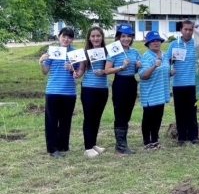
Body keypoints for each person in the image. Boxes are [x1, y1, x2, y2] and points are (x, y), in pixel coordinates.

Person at [38, 27, 79, 159]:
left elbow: (78, 74)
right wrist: (41, 61)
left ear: (72, 39)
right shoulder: (52, 52)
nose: (66, 39)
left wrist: (72, 69)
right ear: (59, 37)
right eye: (64, 36)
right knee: (51, 121)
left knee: (66, 120)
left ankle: (63, 146)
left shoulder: (76, 53)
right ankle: (52, 149)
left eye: (69, 37)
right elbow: (45, 72)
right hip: (53, 91)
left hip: (69, 92)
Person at [105, 24, 141, 155]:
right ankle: (120, 146)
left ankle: (122, 143)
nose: (126, 39)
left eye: (129, 36)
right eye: (123, 36)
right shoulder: (114, 51)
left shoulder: (135, 52)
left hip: (131, 82)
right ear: (118, 37)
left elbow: (138, 70)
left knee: (127, 113)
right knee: (120, 113)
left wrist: (138, 66)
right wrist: (121, 67)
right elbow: (107, 70)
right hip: (120, 82)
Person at [77, 27, 109, 158]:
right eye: (93, 36)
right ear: (89, 38)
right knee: (89, 118)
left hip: (103, 89)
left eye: (98, 36)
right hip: (89, 88)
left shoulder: (107, 52)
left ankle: (93, 144)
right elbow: (80, 72)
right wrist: (73, 72)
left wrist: (106, 71)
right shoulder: (85, 53)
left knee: (97, 117)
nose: (96, 38)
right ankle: (88, 148)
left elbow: (110, 68)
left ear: (102, 37)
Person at [167, 20, 199, 146]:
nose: (188, 32)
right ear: (181, 30)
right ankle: (181, 137)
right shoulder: (174, 45)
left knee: (192, 111)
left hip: (192, 83)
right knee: (179, 111)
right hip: (178, 83)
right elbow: (168, 61)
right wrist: (170, 70)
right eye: (185, 29)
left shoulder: (197, 45)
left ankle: (194, 136)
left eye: (190, 30)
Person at [139, 31, 172, 150]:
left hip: (161, 93)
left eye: (158, 40)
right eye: (153, 41)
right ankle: (147, 142)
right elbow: (143, 75)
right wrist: (154, 66)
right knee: (148, 118)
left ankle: (155, 140)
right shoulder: (146, 56)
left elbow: (165, 71)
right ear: (148, 43)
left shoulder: (165, 55)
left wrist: (170, 73)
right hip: (150, 93)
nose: (156, 42)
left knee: (158, 118)